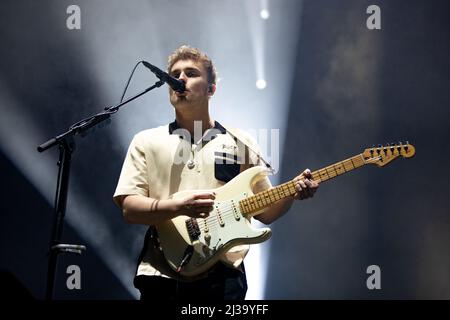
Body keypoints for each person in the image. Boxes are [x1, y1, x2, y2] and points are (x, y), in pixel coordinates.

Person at [113, 45, 319, 301]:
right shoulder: (146, 140)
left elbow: (265, 212)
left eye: (191, 73)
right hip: (161, 273)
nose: (180, 79)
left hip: (223, 277)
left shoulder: (240, 142)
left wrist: (292, 194)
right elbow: (130, 208)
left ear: (211, 89)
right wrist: (176, 207)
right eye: (175, 73)